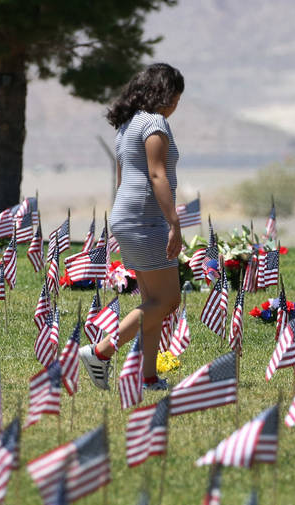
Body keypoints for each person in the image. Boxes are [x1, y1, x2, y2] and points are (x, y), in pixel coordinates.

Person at [80, 63, 185, 391]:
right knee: (168, 301)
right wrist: (174, 222)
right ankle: (101, 351)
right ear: (165, 93)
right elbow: (157, 175)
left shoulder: (127, 125)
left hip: (127, 216)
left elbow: (123, 176)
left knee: (153, 301)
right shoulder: (155, 122)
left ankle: (148, 376)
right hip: (147, 218)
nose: (176, 105)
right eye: (176, 96)